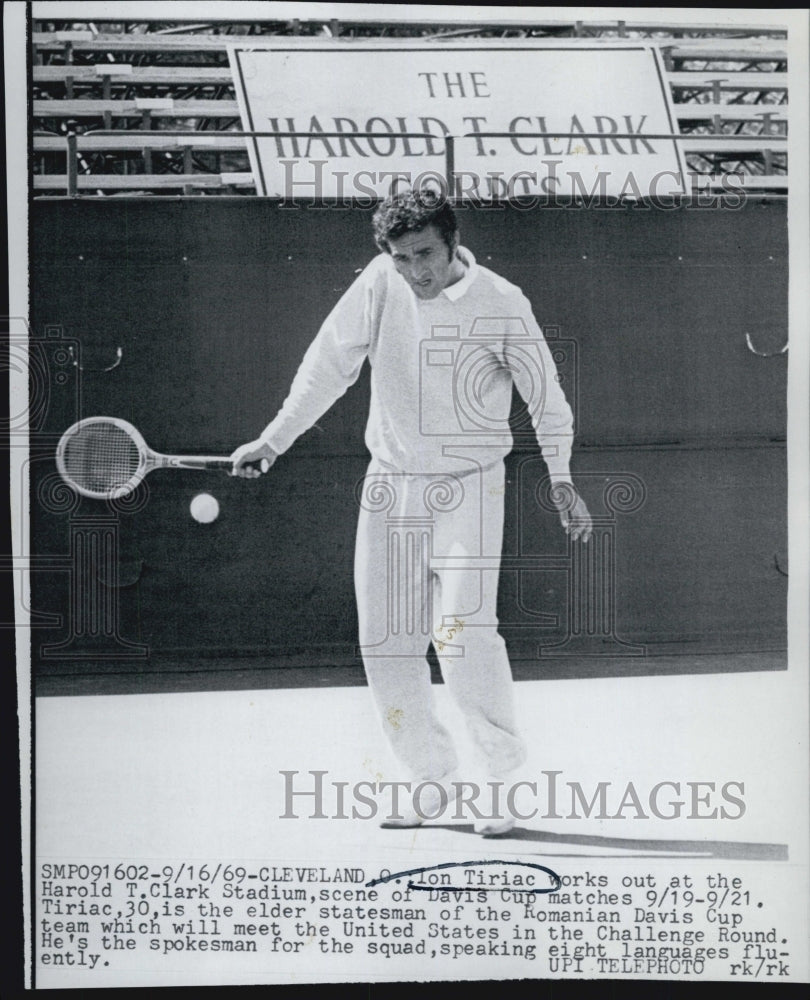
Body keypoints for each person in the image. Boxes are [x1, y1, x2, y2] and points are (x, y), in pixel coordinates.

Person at [231, 189, 592, 835]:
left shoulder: (503, 303)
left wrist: (561, 478)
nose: (415, 270)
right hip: (390, 484)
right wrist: (274, 438)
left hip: (471, 487)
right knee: (387, 643)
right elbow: (327, 366)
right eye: (401, 258)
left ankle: (499, 783)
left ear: (452, 242)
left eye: (424, 254)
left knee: (462, 635)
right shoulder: (379, 283)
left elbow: (548, 401)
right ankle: (430, 780)